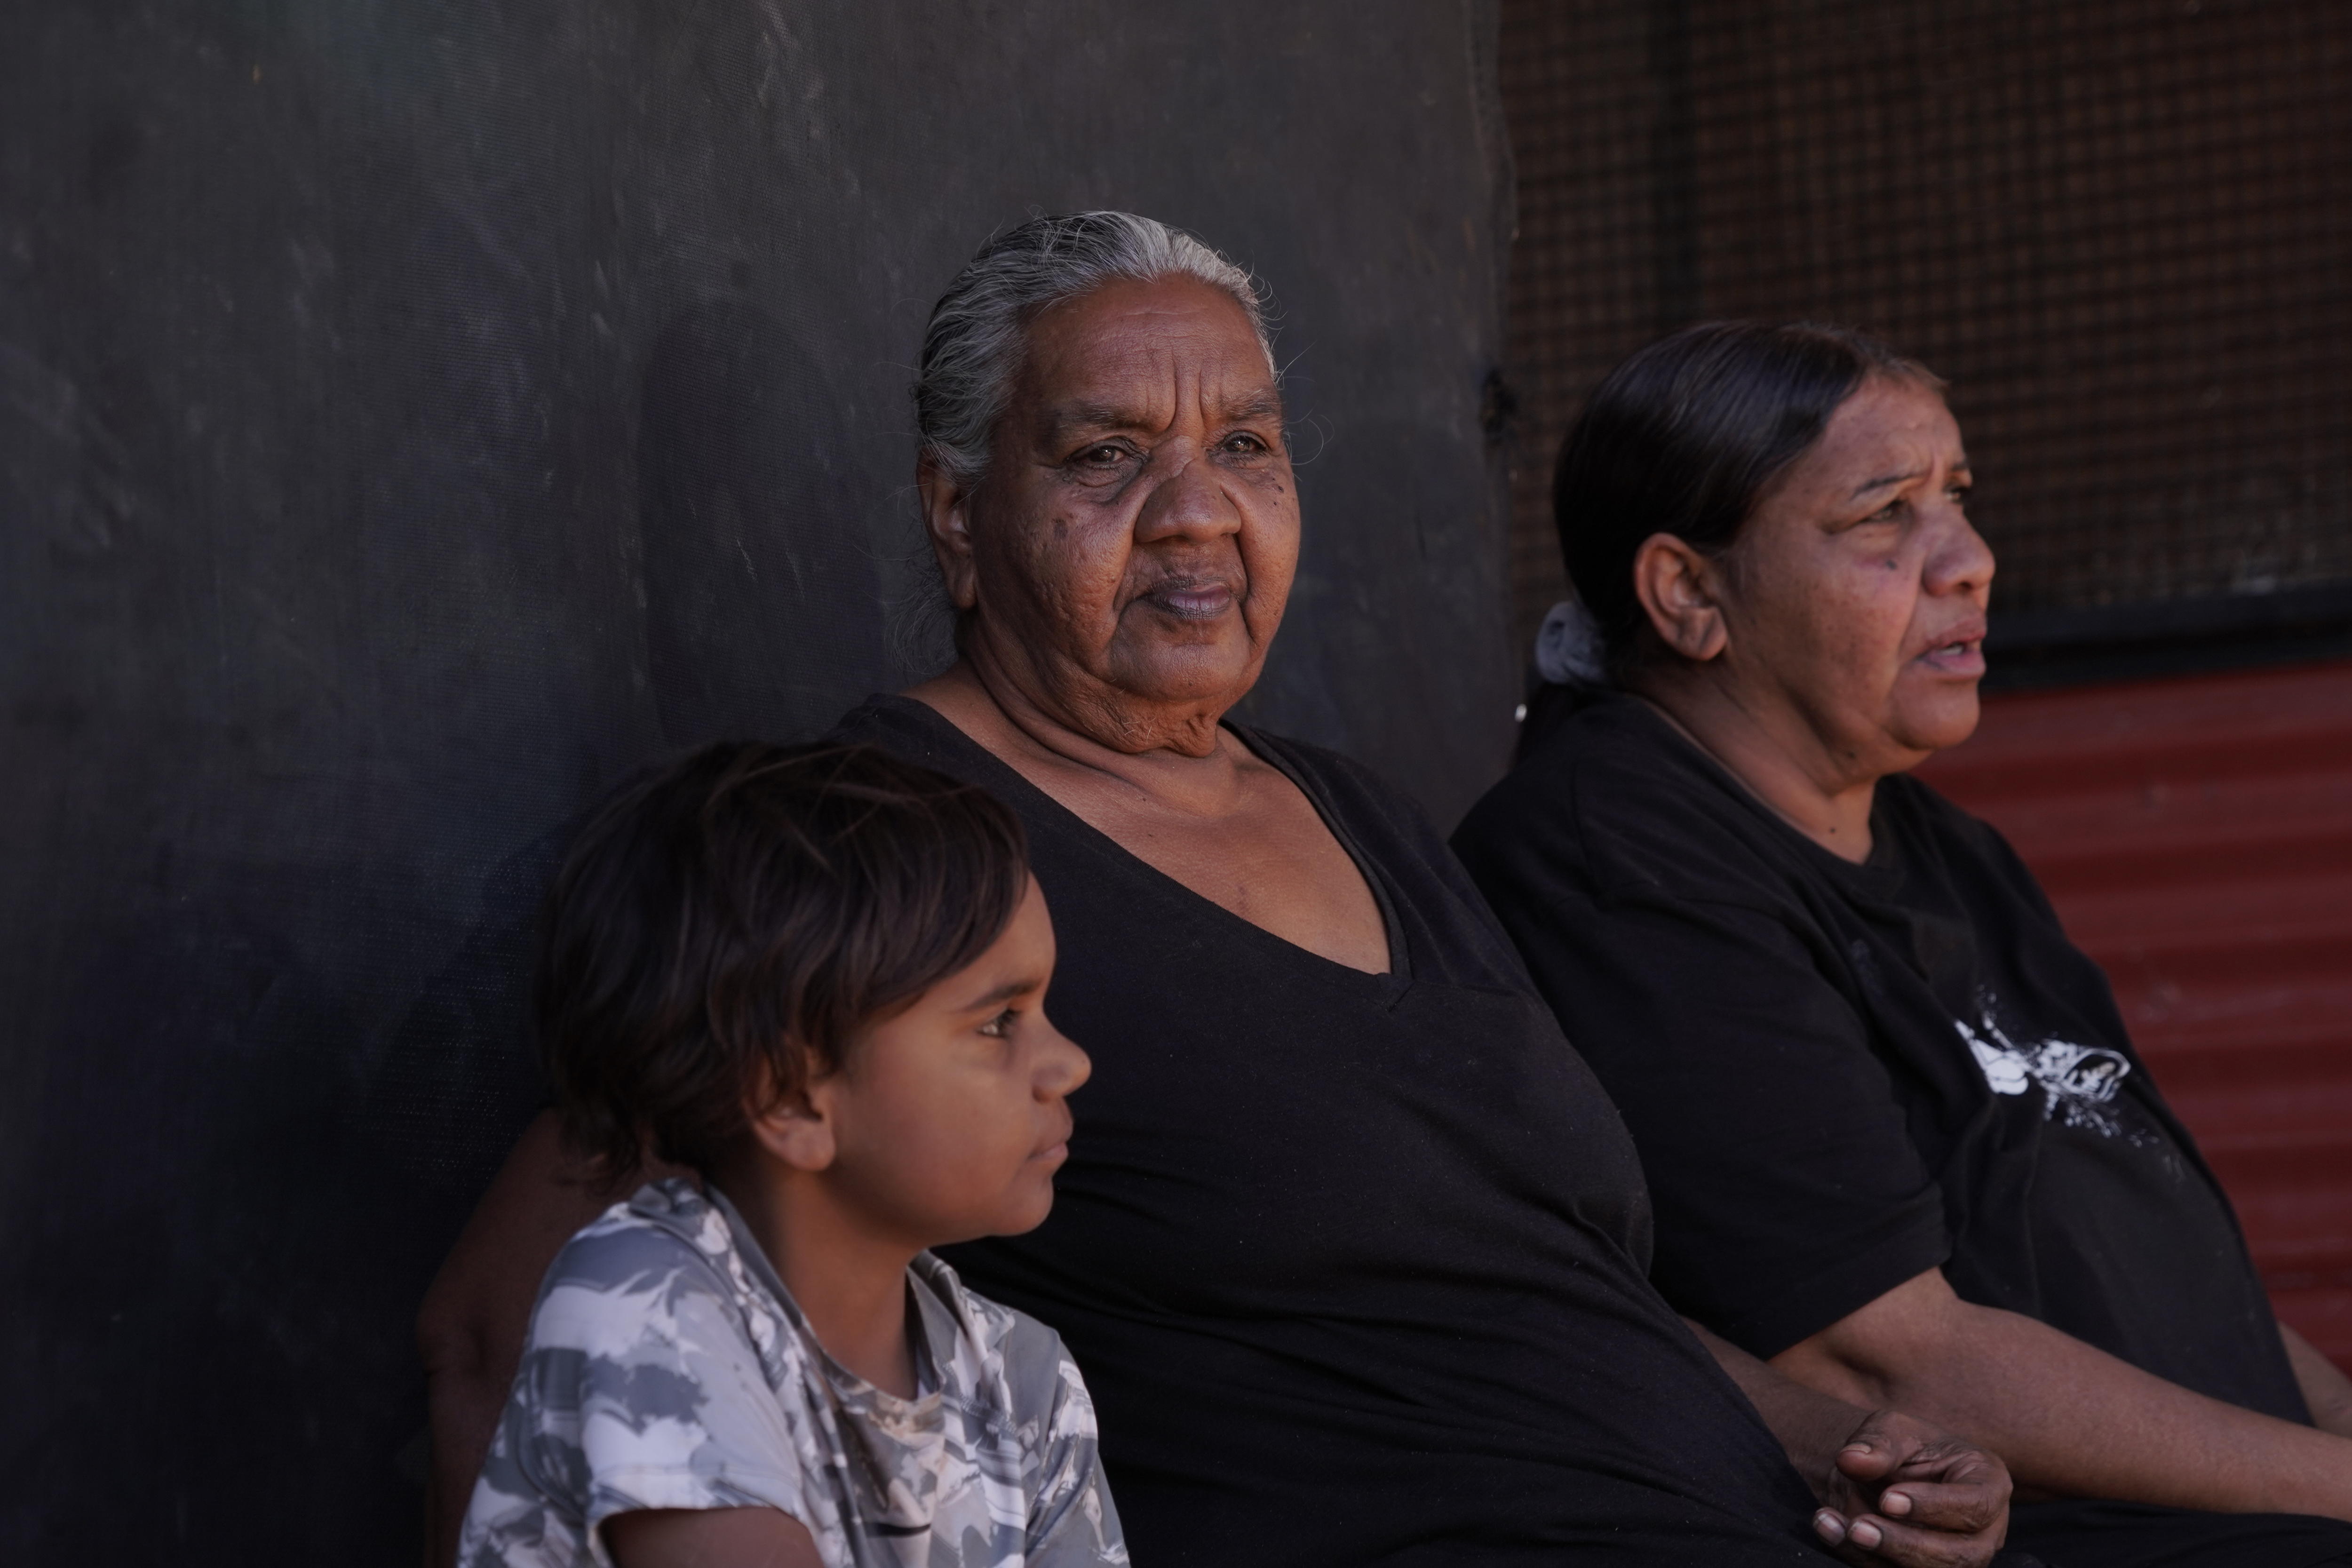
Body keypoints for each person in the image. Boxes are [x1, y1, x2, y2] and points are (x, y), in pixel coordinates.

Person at [421, 214, 2018, 1566]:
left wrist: (1857, 1447)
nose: (1197, 511)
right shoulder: (892, 848)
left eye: (1245, 446)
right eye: (1108, 456)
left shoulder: (1365, 815)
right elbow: (514, 1315)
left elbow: (1564, 1294)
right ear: (956, 510)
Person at [1450, 321, 2352, 1568]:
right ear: (1690, 595)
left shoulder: (1939, 840)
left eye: (1958, 500)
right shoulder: (1617, 852)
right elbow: (1887, 1355)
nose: (1969, 561)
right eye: (1884, 516)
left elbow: (2165, 1254)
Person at [455, 741, 1126, 1568]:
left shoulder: (1026, 1380)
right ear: (791, 1098)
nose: (1070, 1063)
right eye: (998, 1022)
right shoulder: (642, 1300)